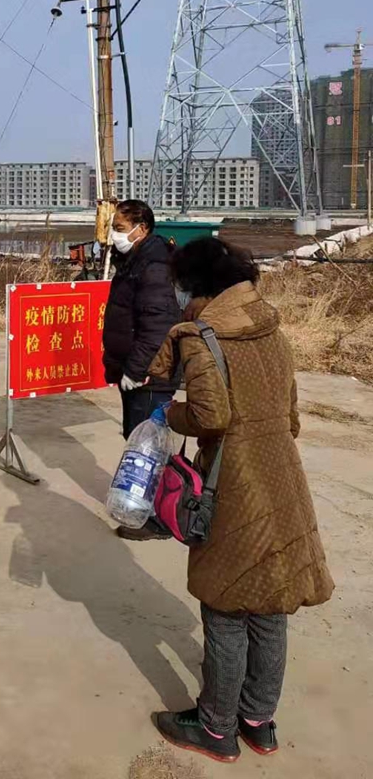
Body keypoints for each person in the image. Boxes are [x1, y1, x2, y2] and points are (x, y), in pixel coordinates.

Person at [148, 237, 334, 764]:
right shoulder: (272, 328)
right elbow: (291, 415)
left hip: (234, 481)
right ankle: (258, 719)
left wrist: (169, 415)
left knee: (226, 606)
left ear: (197, 287)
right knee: (271, 606)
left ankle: (215, 727)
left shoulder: (203, 337)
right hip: (283, 476)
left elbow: (211, 416)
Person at [102, 200, 181, 539]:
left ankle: (160, 518)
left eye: (120, 229)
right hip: (136, 372)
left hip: (150, 375)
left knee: (151, 446)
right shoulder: (135, 260)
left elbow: (157, 326)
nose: (114, 235)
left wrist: (134, 370)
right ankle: (143, 503)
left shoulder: (154, 266)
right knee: (138, 439)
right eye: (113, 228)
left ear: (142, 228)